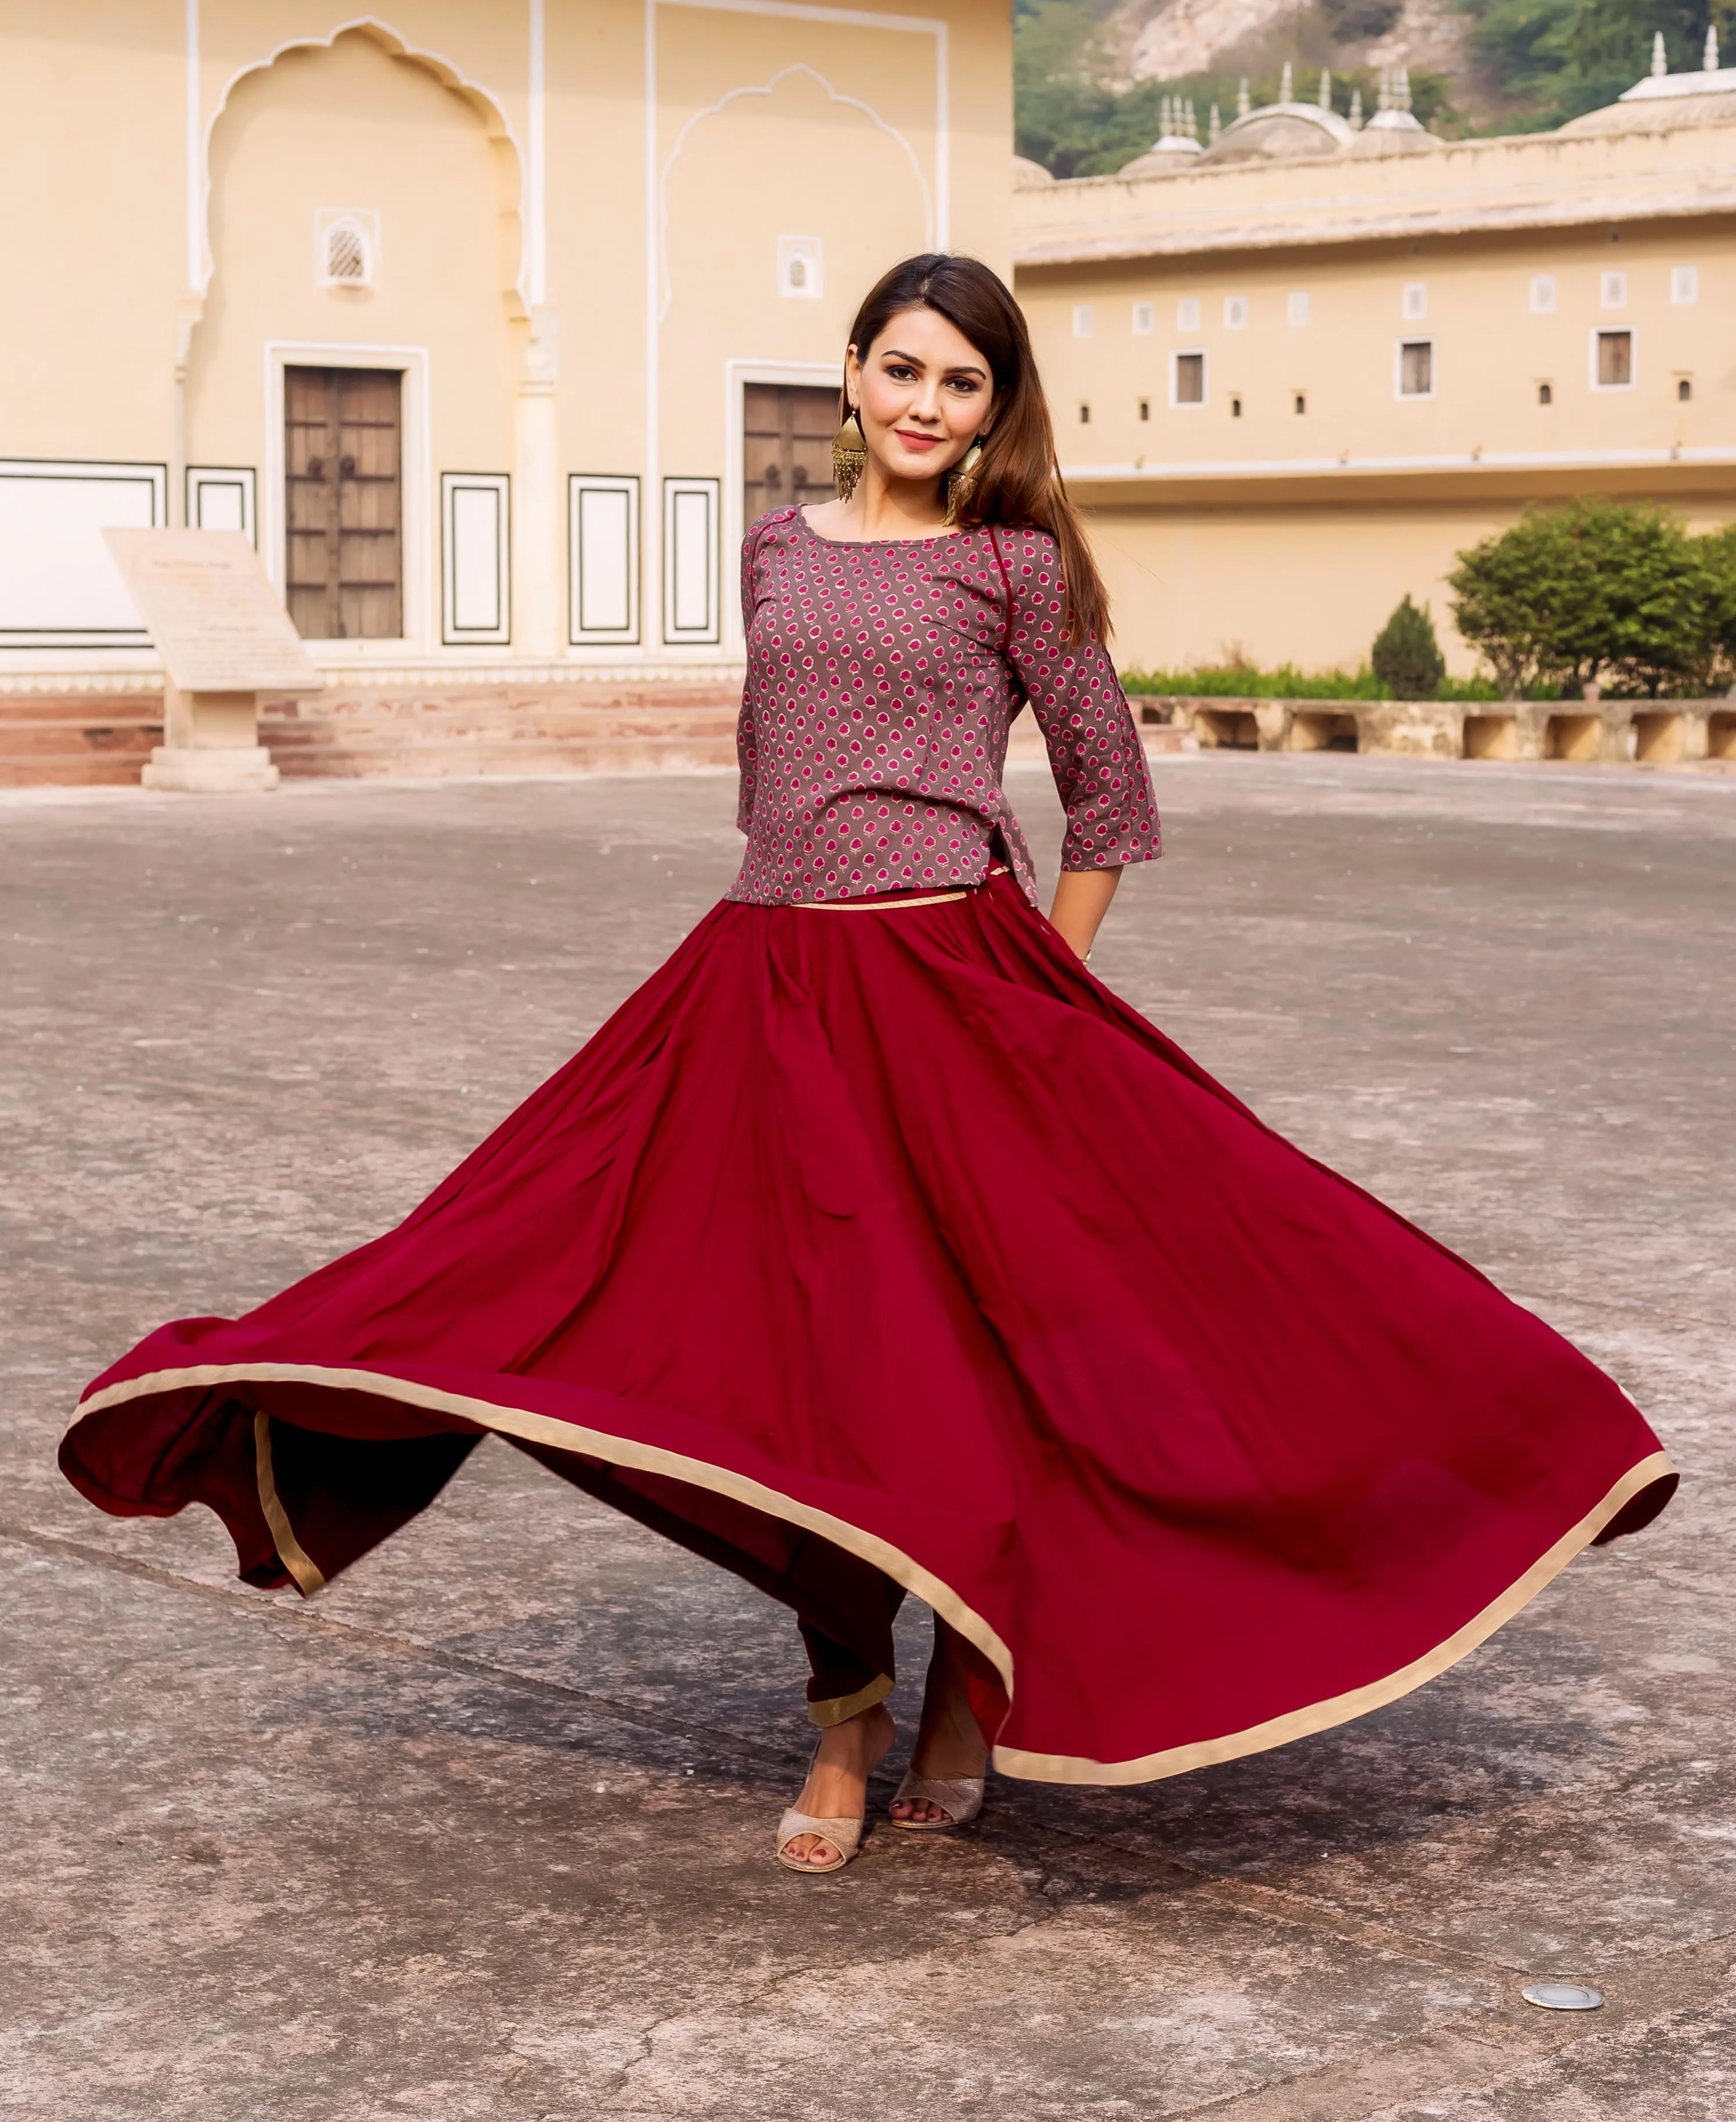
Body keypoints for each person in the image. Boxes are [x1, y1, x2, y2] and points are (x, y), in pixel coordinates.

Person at [60, 255, 1675, 1880]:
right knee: (737, 1350)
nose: (924, 404)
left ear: (994, 408)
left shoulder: (1013, 566)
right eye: (901, 369)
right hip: (761, 983)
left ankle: (972, 1691)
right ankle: (844, 1706)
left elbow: (1107, 794)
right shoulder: (773, 547)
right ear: (849, 376)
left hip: (956, 986)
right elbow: (767, 779)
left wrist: (1041, 989)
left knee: (1008, 1358)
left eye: (961, 382)